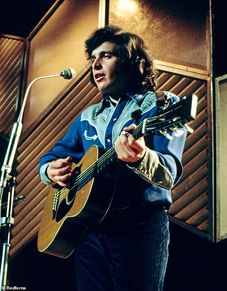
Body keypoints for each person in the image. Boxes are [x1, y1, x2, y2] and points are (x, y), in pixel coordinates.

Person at [39, 25, 187, 291]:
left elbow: (170, 174)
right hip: (90, 231)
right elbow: (51, 156)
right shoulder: (87, 116)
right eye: (93, 58)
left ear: (133, 63)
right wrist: (51, 170)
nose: (95, 64)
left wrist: (141, 157)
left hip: (139, 226)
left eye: (106, 56)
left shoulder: (161, 105)